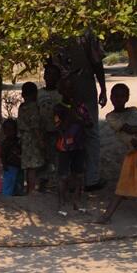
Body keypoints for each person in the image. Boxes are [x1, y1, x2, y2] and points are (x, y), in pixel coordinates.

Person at [97, 83, 137, 229]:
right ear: (111, 98)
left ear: (127, 98)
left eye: (122, 96)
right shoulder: (111, 116)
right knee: (123, 185)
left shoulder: (134, 110)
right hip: (133, 153)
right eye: (116, 96)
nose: (118, 99)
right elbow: (130, 129)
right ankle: (107, 216)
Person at [52, 32, 107, 191]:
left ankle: (78, 178)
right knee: (85, 132)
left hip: (70, 86)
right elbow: (96, 62)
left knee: (73, 131)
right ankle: (88, 179)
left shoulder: (52, 30)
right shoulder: (85, 31)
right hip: (78, 86)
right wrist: (102, 87)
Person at [53, 78, 92, 216]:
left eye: (73, 89)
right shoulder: (58, 108)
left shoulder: (81, 107)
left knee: (79, 174)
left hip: (79, 145)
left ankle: (77, 201)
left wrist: (79, 116)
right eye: (67, 89)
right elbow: (59, 128)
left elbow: (89, 124)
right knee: (63, 175)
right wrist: (72, 114)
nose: (71, 92)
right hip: (64, 146)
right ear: (61, 91)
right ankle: (61, 203)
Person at [37, 63, 62, 190]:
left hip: (57, 131)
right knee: (43, 156)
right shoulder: (39, 93)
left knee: (57, 156)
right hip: (43, 130)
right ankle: (43, 180)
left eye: (54, 75)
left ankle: (55, 181)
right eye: (48, 74)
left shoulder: (61, 94)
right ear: (44, 76)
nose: (50, 77)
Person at [17, 82, 45, 194]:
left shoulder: (22, 107)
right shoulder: (33, 107)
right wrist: (41, 141)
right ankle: (32, 189)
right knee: (33, 166)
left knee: (28, 166)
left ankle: (29, 188)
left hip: (24, 138)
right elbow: (35, 126)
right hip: (32, 139)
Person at [0, 118, 24, 196]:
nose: (10, 132)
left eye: (12, 130)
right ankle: (6, 196)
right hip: (10, 166)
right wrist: (4, 165)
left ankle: (18, 194)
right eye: (8, 130)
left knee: (19, 182)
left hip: (19, 166)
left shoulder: (19, 141)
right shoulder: (5, 143)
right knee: (8, 183)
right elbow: (2, 155)